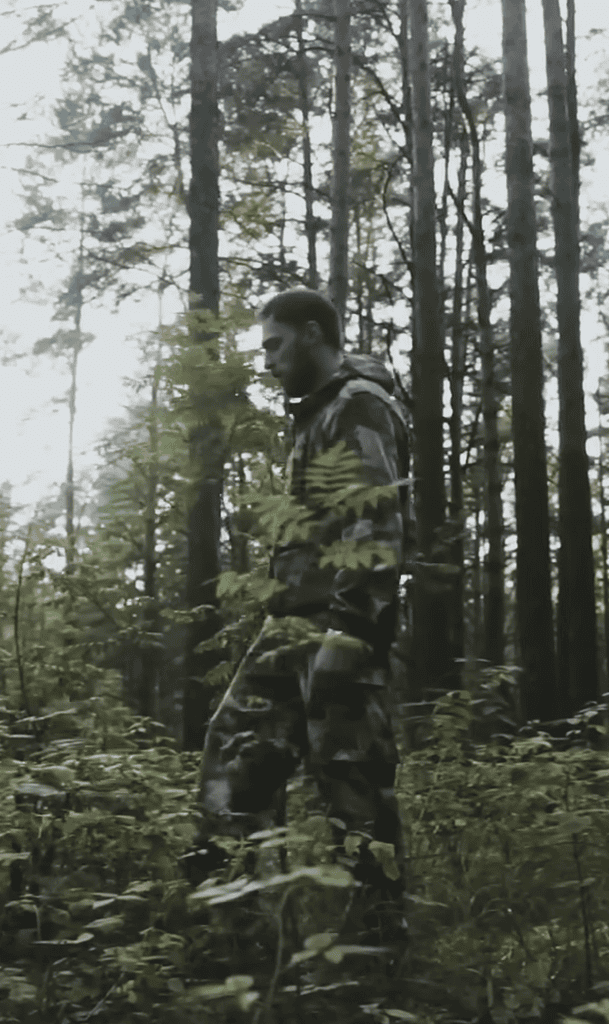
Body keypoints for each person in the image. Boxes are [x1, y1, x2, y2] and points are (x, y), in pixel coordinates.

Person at [188, 288, 410, 950]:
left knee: (355, 802)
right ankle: (236, 948)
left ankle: (374, 966)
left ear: (312, 334)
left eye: (275, 346)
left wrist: (352, 629)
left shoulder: (359, 404)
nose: (267, 363)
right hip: (291, 632)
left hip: (340, 630)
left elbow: (377, 518)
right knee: (231, 761)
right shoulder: (314, 416)